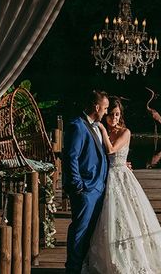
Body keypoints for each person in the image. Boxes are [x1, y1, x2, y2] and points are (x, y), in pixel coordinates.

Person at [84, 96, 161, 274]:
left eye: (117, 114)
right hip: (106, 177)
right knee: (107, 217)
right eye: (111, 114)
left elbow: (112, 150)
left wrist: (103, 131)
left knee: (128, 214)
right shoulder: (103, 130)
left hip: (121, 177)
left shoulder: (124, 132)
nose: (113, 118)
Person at [62, 90, 110, 274]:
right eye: (105, 108)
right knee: (79, 230)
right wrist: (77, 186)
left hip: (98, 187)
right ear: (96, 107)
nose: (106, 112)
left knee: (90, 231)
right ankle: (72, 269)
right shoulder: (77, 126)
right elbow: (70, 157)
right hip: (86, 189)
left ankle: (82, 266)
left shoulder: (96, 126)